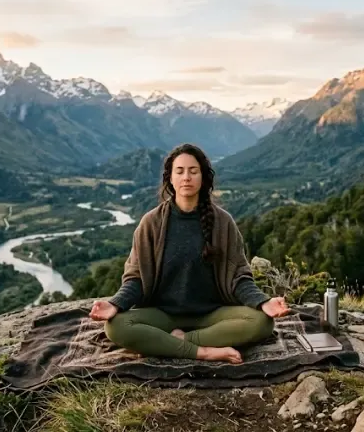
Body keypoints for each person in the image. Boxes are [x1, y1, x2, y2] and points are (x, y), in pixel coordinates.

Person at [89, 143, 290, 364]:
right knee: (115, 326)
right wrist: (115, 304)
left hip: (211, 315)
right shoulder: (151, 223)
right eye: (180, 171)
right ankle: (204, 351)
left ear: (203, 177)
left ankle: (172, 343)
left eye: (193, 171)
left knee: (262, 322)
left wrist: (263, 302)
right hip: (163, 315)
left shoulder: (223, 223)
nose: (186, 177)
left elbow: (239, 278)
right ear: (170, 178)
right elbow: (136, 278)